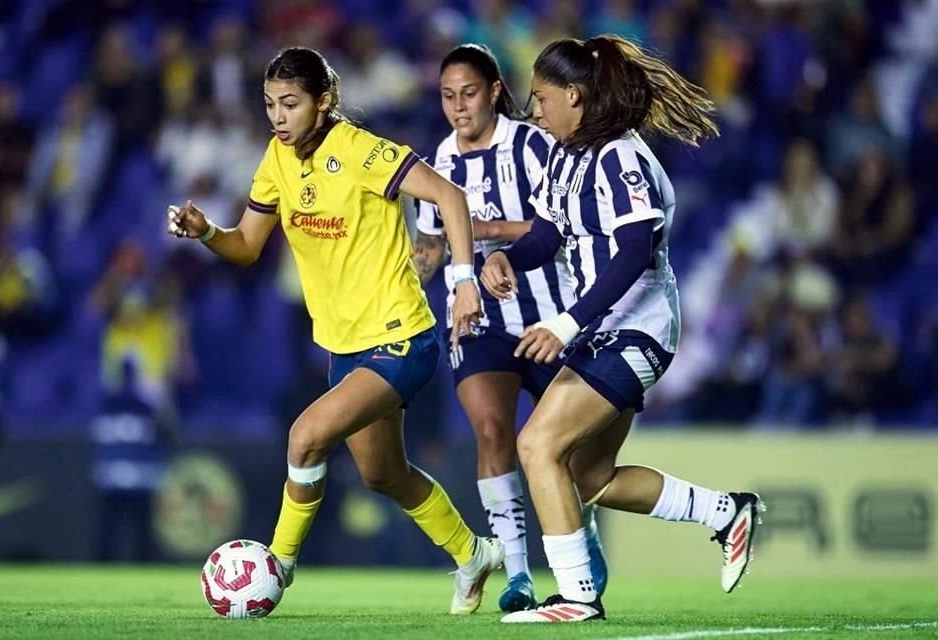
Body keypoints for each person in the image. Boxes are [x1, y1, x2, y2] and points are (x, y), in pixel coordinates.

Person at [167, 47, 503, 615]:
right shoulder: (277, 157)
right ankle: (474, 555)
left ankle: (274, 567)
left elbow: (451, 195)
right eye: (270, 104)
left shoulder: (361, 150)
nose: (278, 116)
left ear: (323, 103)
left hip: (400, 335)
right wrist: (207, 232)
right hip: (344, 347)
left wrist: (464, 279)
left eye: (291, 104)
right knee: (383, 473)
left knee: (305, 435)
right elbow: (246, 246)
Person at [480, 36, 763, 623]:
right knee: (589, 476)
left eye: (541, 98)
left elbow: (634, 249)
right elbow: (552, 233)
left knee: (536, 445)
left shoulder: (621, 157)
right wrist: (509, 255)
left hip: (636, 330)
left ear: (575, 95)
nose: (534, 111)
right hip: (604, 332)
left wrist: (565, 321)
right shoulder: (567, 154)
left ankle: (578, 597)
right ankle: (726, 512)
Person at [413, 43, 607, 612]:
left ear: (495, 90)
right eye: (447, 96)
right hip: (480, 324)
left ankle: (582, 530)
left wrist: (485, 231)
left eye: (468, 93)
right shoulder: (437, 164)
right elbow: (429, 247)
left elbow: (564, 221)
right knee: (493, 432)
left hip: (551, 316)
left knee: (569, 453)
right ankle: (517, 571)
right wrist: (414, 279)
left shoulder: (535, 143)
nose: (458, 107)